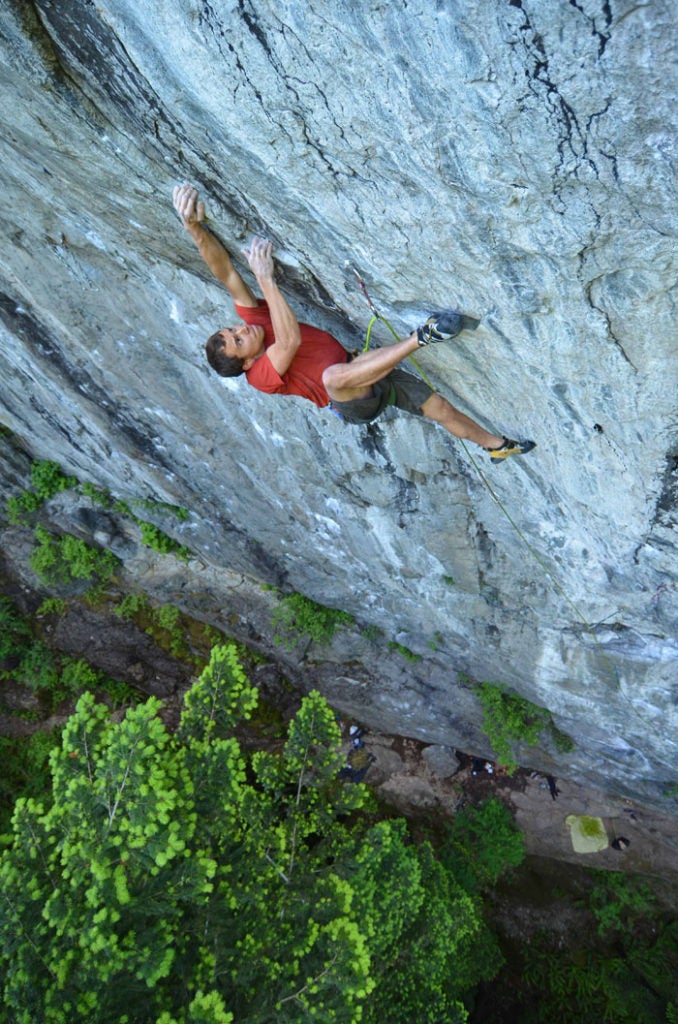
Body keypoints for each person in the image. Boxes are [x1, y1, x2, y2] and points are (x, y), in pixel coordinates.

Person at [172, 184, 535, 463]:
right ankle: (422, 337)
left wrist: (193, 228)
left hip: (361, 365)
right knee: (332, 378)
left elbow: (225, 275)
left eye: (232, 329)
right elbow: (290, 341)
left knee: (439, 408)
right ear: (247, 362)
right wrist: (266, 279)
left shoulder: (255, 322)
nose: (240, 330)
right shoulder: (260, 377)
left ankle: (499, 447)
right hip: (350, 399)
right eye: (238, 341)